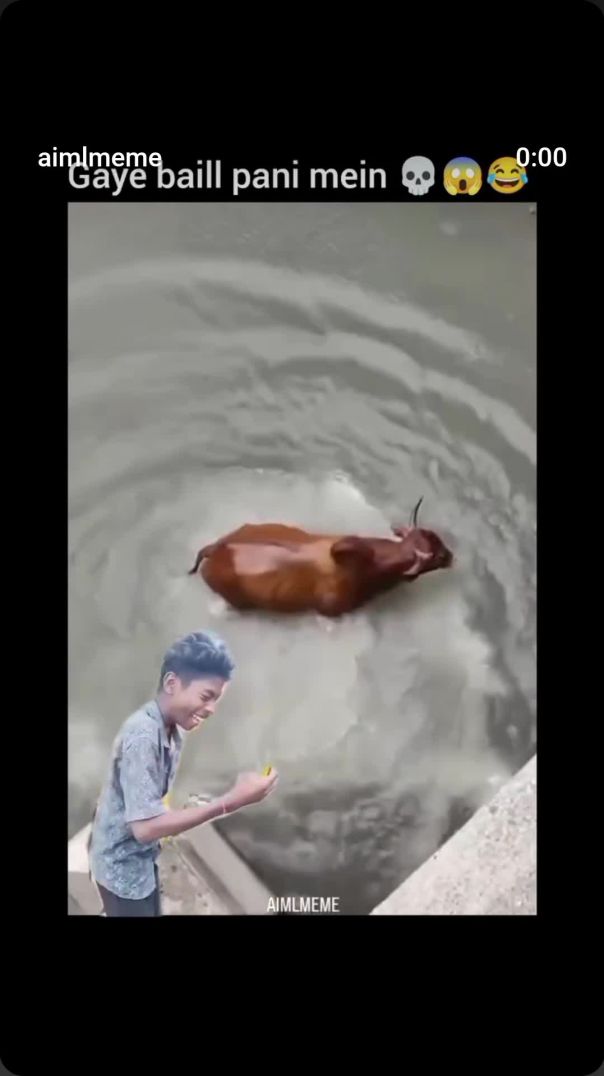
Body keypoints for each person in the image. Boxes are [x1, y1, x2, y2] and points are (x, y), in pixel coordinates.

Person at [88, 630, 278, 916]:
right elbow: (145, 829)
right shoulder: (143, 737)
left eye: (216, 699)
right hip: (120, 871)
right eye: (206, 696)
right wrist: (229, 803)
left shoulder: (174, 729)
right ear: (172, 684)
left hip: (142, 862)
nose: (211, 709)